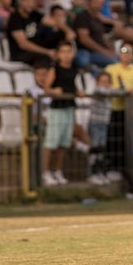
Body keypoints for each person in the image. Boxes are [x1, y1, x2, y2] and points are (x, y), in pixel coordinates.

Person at [41, 40, 80, 187]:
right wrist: (54, 91)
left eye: (68, 51)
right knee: (51, 142)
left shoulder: (74, 68)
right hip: (57, 108)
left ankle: (57, 170)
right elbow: (46, 88)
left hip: (69, 106)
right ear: (58, 54)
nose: (66, 55)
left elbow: (72, 84)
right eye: (63, 52)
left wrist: (77, 91)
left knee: (64, 142)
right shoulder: (55, 68)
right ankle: (45, 172)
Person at [102, 44, 133, 182]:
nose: (126, 55)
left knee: (125, 140)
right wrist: (120, 91)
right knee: (112, 139)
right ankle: (111, 168)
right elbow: (104, 85)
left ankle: (124, 170)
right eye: (123, 52)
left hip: (128, 110)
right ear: (119, 54)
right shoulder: (110, 69)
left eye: (129, 52)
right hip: (112, 108)